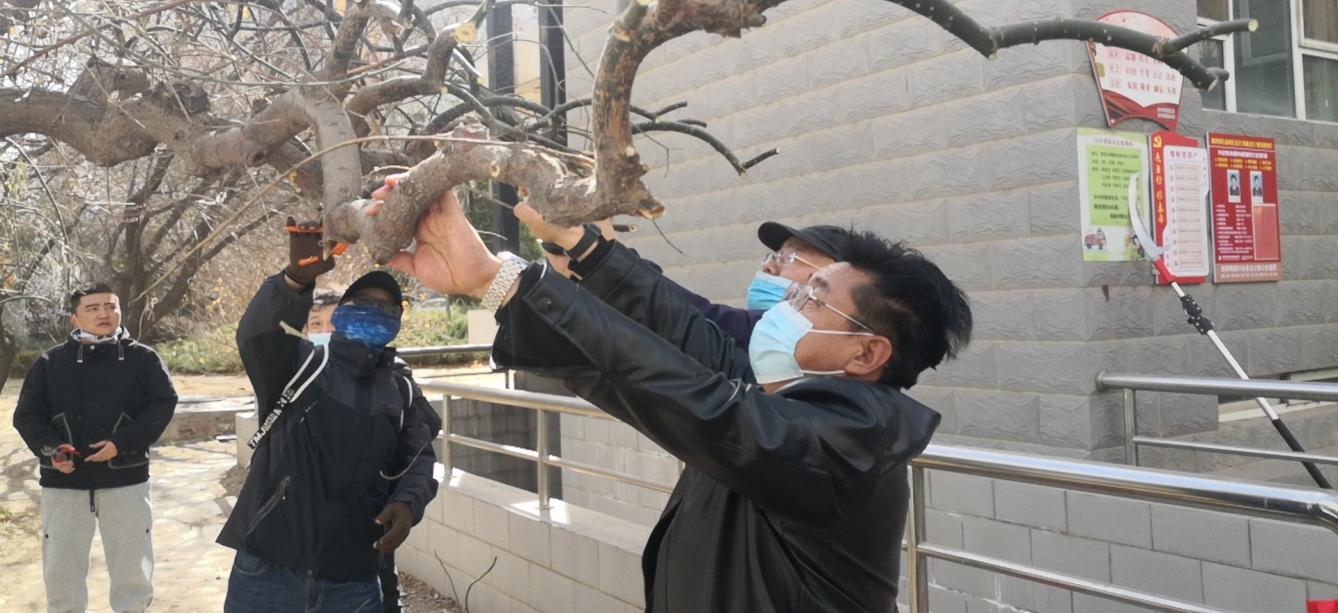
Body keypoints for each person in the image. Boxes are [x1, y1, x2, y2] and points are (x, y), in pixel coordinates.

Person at [372, 186, 972, 611]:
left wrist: (502, 281)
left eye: (811, 298)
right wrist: (585, 249)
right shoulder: (789, 400)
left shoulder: (846, 442)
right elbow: (687, 336)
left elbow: (694, 397)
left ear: (866, 354)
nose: (785, 303)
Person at [218, 221, 439, 613]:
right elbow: (257, 336)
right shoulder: (302, 365)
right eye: (363, 303)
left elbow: (418, 460)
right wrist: (294, 282)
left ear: (397, 323)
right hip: (267, 570)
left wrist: (408, 503)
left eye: (386, 308)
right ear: (342, 314)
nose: (374, 311)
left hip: (352, 580)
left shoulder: (402, 391)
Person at [12, 284, 178, 613]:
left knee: (133, 569)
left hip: (126, 479)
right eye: (92, 308)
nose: (104, 314)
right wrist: (52, 450)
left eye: (110, 306)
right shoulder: (49, 362)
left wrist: (121, 443)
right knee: (61, 570)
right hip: (64, 482)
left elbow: (162, 405)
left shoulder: (143, 359)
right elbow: (28, 415)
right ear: (74, 318)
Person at [545, 221, 851, 348]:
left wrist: (604, 256)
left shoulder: (796, 346)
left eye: (789, 257)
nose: (768, 266)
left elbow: (695, 320)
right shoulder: (769, 333)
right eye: (773, 256)